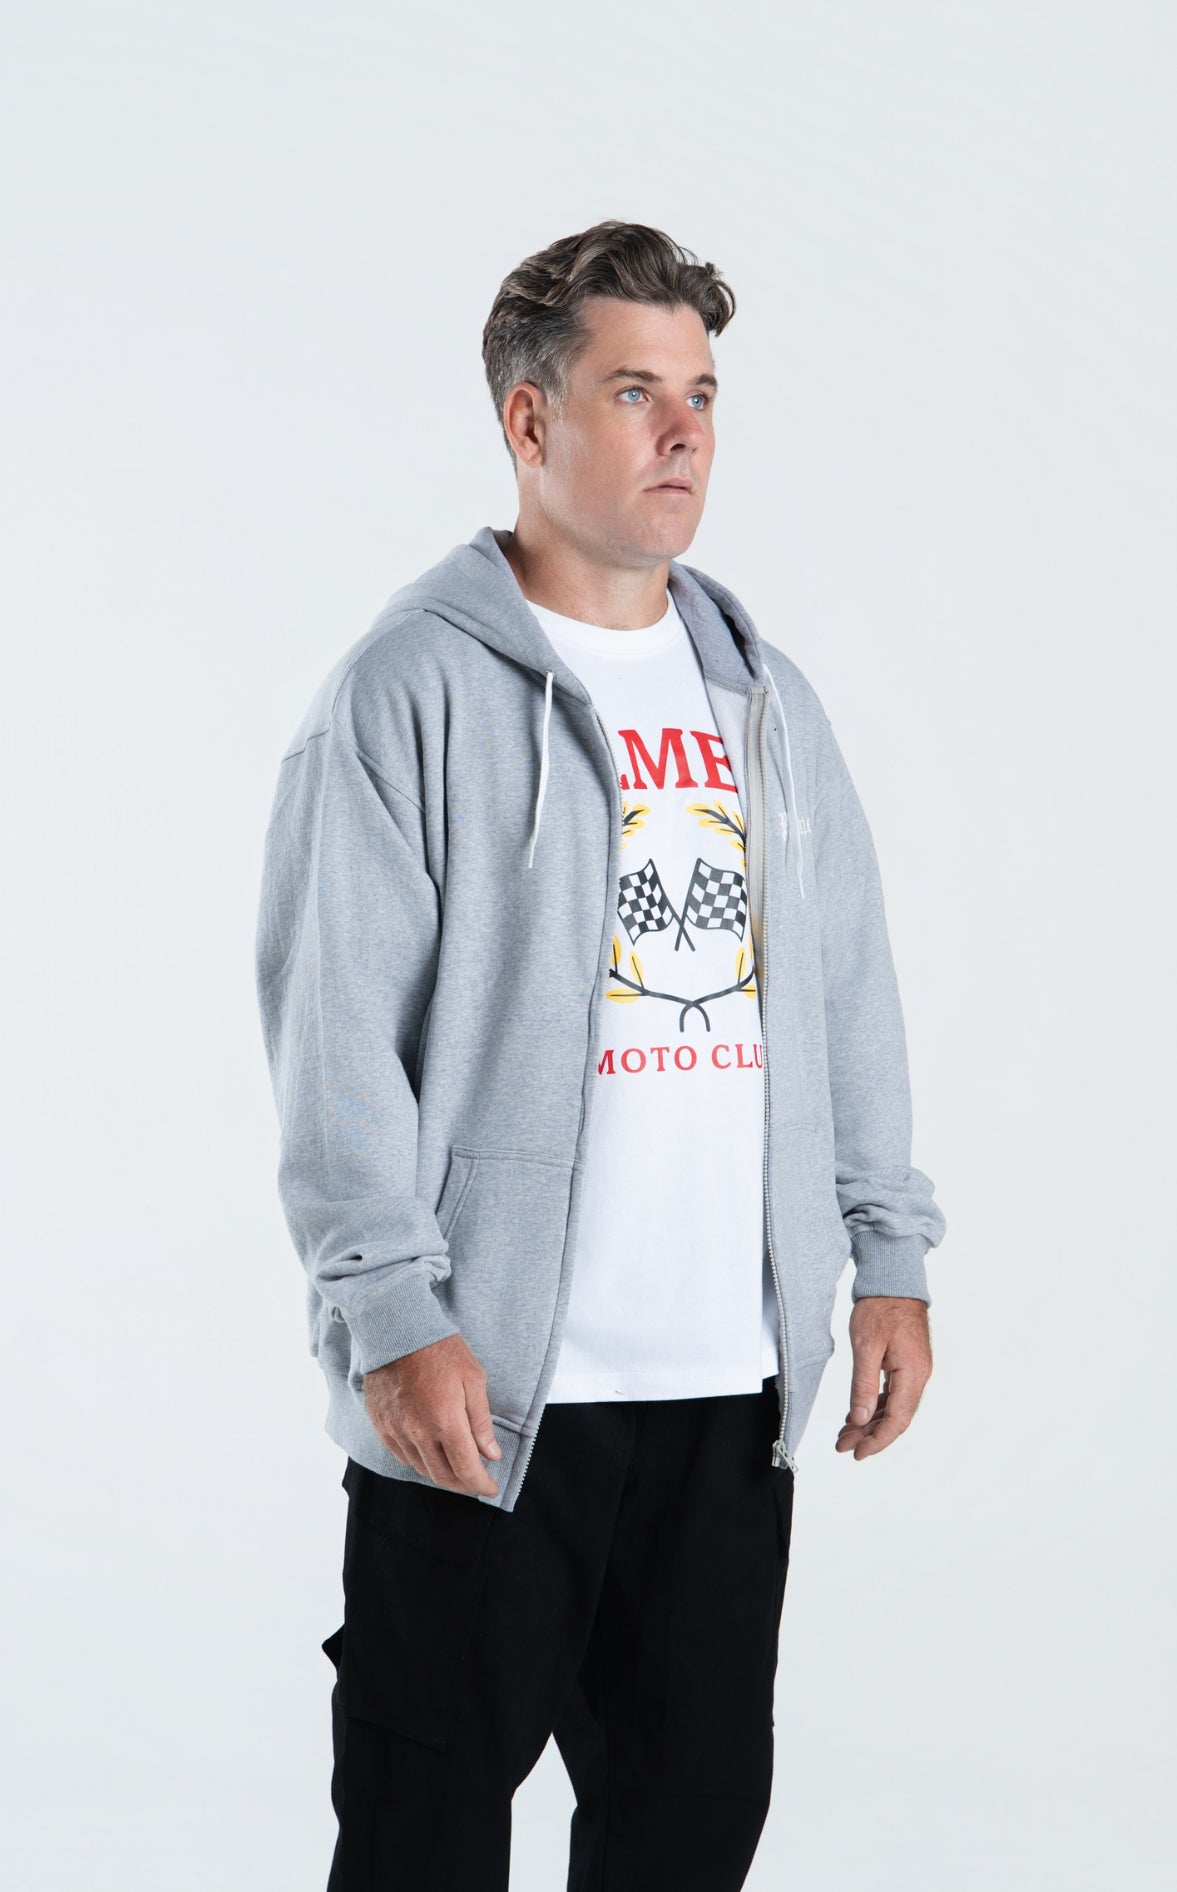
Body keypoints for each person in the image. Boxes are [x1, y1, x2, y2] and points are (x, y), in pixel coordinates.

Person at [254, 218, 947, 1891]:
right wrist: (394, 1313)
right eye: (634, 392)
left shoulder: (758, 697)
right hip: (488, 1398)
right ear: (528, 420)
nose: (682, 432)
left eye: (700, 395)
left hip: (726, 1391)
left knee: (684, 1838)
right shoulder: (408, 691)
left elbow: (846, 986)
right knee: (423, 1839)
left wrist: (884, 1255)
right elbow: (335, 1028)